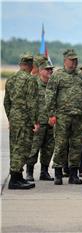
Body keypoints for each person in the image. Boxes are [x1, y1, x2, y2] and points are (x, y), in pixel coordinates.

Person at [45, 49, 82, 185]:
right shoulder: (57, 76)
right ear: (65, 61)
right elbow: (50, 95)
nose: (74, 62)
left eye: (75, 60)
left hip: (78, 116)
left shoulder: (81, 75)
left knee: (77, 145)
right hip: (62, 116)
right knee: (61, 144)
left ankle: (73, 174)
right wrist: (51, 114)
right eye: (71, 60)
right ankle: (58, 173)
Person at [4, 53, 39, 189]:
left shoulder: (11, 79)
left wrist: (11, 118)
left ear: (20, 65)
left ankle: (18, 176)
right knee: (22, 149)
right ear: (31, 66)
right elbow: (32, 103)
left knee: (15, 148)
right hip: (24, 119)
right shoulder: (30, 80)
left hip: (15, 117)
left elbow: (6, 102)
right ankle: (14, 180)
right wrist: (35, 121)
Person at [26, 60, 55, 182]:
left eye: (51, 69)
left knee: (48, 149)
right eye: (47, 69)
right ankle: (29, 172)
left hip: (51, 123)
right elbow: (29, 103)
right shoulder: (34, 84)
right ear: (40, 70)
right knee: (34, 148)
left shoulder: (53, 85)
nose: (50, 71)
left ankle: (44, 172)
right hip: (38, 122)